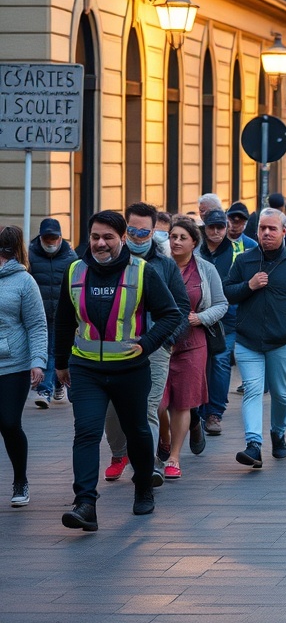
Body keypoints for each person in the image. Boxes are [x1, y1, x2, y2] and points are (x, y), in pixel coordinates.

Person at [54, 210, 182, 530]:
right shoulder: (74, 271)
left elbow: (171, 314)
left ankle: (143, 487)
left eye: (108, 237)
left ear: (122, 238)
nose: (100, 243)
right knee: (86, 432)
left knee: (137, 431)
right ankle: (85, 503)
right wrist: (60, 362)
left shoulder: (142, 271)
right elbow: (64, 320)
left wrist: (147, 344)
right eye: (95, 237)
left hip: (129, 369)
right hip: (86, 369)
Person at [224, 208, 286, 468]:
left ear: (283, 232)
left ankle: (278, 433)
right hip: (248, 340)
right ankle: (254, 445)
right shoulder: (244, 260)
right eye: (262, 228)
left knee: (281, 394)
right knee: (253, 391)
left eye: (272, 228)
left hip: (282, 341)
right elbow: (227, 292)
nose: (266, 232)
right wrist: (249, 285)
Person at [103, 203, 190, 487]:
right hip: (114, 347)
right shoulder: (110, 261)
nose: (138, 236)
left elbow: (181, 306)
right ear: (124, 230)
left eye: (144, 232)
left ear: (154, 231)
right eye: (132, 230)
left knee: (149, 407)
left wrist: (167, 340)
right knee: (112, 410)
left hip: (154, 347)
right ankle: (120, 454)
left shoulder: (165, 265)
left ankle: (149, 466)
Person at [160, 217, 227, 479]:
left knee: (182, 403)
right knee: (158, 403)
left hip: (192, 343)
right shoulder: (159, 266)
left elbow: (221, 304)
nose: (176, 242)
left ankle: (174, 457)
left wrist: (201, 318)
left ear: (194, 243)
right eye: (172, 236)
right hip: (161, 343)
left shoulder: (206, 269)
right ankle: (165, 437)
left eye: (182, 238)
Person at [0, 226, 47, 507]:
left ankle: (20, 480)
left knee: (8, 422)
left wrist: (38, 361)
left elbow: (37, 324)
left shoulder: (24, 281)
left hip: (13, 364)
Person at [197, 209, 244, 435]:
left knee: (220, 361)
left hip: (227, 318)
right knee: (198, 363)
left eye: (220, 227)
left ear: (226, 228)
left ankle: (214, 413)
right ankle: (196, 412)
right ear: (204, 227)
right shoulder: (195, 249)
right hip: (198, 317)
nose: (216, 231)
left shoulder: (238, 251)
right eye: (211, 227)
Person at [27, 217, 77, 407]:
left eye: (53, 238)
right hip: (39, 314)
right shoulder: (30, 255)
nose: (50, 242)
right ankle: (45, 389)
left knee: (60, 350)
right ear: (40, 237)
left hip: (62, 314)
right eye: (47, 238)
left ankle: (57, 384)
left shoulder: (70, 257)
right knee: (48, 350)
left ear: (60, 238)